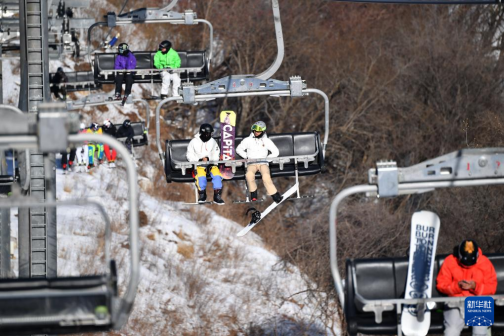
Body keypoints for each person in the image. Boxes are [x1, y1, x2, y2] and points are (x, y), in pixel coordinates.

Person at [436, 240, 497, 336]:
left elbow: (492, 288)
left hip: (478, 300)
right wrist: (457, 286)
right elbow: (441, 285)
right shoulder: (450, 261)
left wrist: (475, 287)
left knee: (480, 332)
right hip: (456, 300)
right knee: (451, 331)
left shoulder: (484, 263)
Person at [236, 121, 283, 203]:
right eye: (255, 131)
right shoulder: (248, 140)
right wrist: (247, 157)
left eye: (258, 131)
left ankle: (275, 195)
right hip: (252, 163)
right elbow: (238, 149)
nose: (256, 133)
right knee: (249, 175)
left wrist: (267, 159)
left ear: (263, 131)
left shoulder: (266, 141)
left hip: (263, 163)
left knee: (266, 176)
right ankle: (253, 193)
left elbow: (276, 152)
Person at [186, 123, 225, 205]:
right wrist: (198, 160)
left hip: (211, 164)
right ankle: (202, 194)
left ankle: (217, 195)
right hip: (199, 165)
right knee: (200, 177)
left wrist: (209, 159)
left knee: (217, 176)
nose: (208, 135)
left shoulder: (213, 142)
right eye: (207, 134)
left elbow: (216, 153)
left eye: (210, 134)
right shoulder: (194, 142)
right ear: (202, 133)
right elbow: (189, 155)